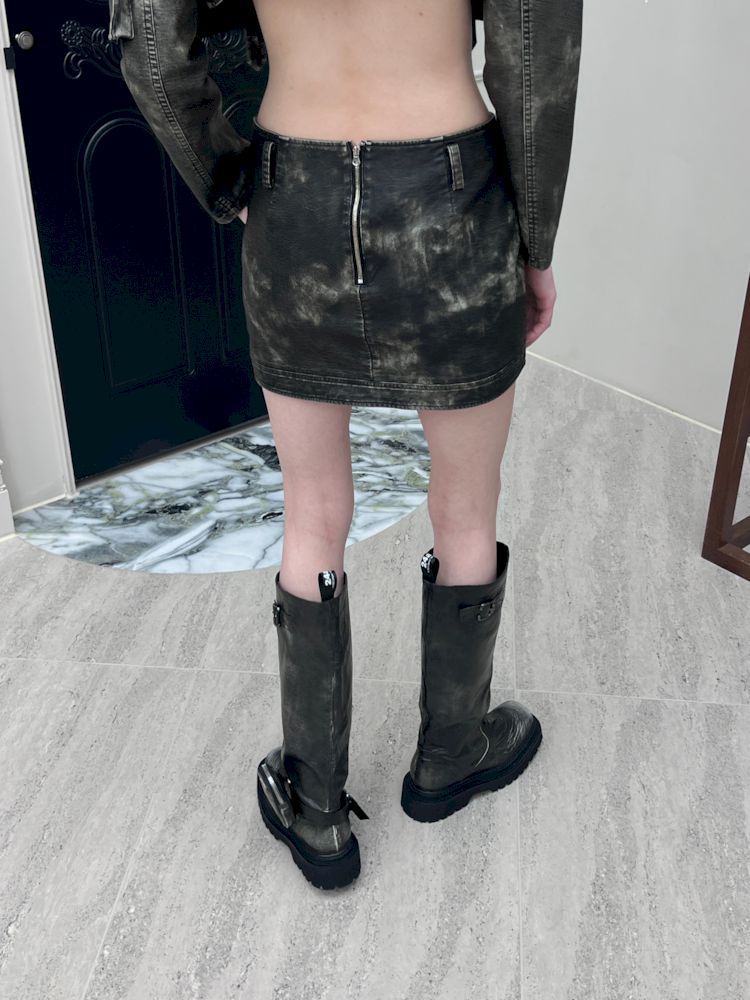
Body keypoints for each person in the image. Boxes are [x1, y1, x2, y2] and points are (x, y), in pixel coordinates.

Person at [109, 0, 583, 891]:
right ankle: (452, 753)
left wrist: (229, 181)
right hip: (454, 199)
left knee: (312, 509)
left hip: (295, 194)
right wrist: (536, 243)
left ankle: (316, 807)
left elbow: (153, 47)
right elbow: (535, 62)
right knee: (466, 507)